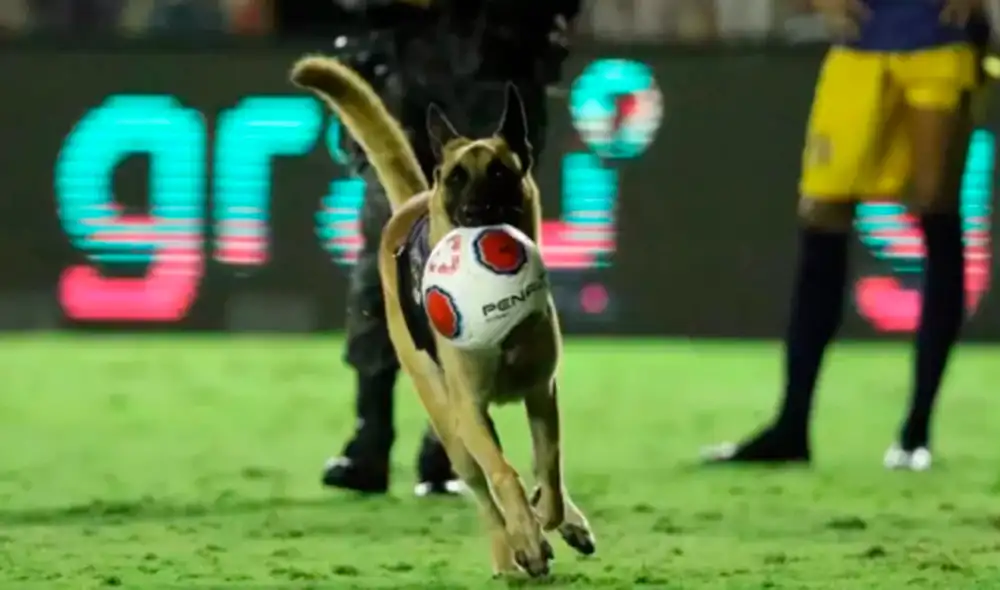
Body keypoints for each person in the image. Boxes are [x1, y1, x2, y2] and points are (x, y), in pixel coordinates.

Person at [705, 0, 992, 469]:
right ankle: (792, 425)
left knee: (935, 207)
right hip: (859, 46)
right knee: (822, 210)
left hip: (939, 41)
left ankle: (916, 431)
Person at [321, 0, 581, 495]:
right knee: (386, 262)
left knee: (484, 271)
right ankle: (372, 436)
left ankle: (446, 446)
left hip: (494, 70)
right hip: (406, 77)